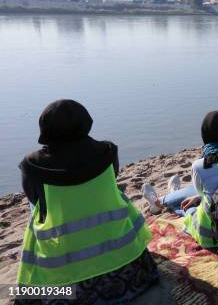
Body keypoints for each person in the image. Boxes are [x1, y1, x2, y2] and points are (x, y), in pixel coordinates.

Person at [17, 100, 158, 299]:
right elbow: (113, 176)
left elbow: (32, 196)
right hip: (124, 258)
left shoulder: (32, 165)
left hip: (65, 274)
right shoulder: (108, 151)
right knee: (112, 192)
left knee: (39, 205)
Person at [143, 111, 218, 249]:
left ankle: (161, 202)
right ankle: (167, 197)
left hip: (213, 235)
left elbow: (204, 196)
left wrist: (198, 197)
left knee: (190, 206)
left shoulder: (201, 165)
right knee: (201, 191)